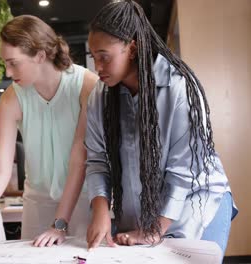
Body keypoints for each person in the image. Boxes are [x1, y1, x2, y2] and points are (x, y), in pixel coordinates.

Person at [84, 0, 237, 256]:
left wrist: (154, 230)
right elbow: (98, 161)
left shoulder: (178, 88)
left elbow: (183, 171)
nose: (97, 68)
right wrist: (100, 211)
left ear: (131, 49)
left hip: (195, 203)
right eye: (94, 57)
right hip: (145, 212)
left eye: (104, 58)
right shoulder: (100, 97)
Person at [0, 15, 98, 247]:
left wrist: (59, 224)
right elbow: (0, 168)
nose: (8, 73)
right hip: (37, 204)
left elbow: (79, 160)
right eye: (5, 63)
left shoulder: (86, 86)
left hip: (83, 201)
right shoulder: (12, 98)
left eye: (13, 63)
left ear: (40, 56)